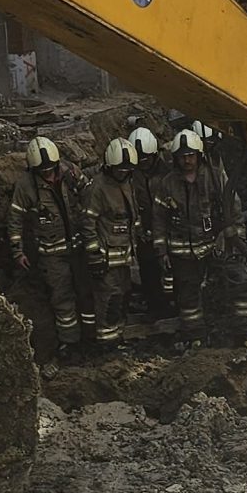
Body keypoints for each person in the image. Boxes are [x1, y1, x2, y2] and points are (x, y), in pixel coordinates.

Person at [154, 128, 247, 331]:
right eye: (182, 157)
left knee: (238, 281)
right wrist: (161, 251)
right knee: (188, 293)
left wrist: (237, 238)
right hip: (184, 251)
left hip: (215, 244)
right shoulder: (168, 184)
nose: (187, 161)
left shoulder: (215, 177)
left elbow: (232, 206)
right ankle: (194, 333)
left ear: (199, 155)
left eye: (190, 156)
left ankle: (245, 330)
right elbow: (158, 219)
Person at [6, 136, 90, 347]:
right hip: (52, 254)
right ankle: (70, 342)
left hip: (80, 246)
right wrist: (18, 251)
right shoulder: (26, 186)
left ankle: (92, 338)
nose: (47, 175)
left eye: (50, 169)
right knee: (62, 299)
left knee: (87, 292)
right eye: (42, 171)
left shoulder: (70, 173)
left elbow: (91, 197)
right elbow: (15, 219)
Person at [84, 137, 144, 345]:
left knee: (123, 296)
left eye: (126, 170)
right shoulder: (98, 188)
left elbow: (132, 215)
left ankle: (118, 335)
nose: (123, 173)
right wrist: (94, 255)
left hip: (124, 255)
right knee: (108, 299)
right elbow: (87, 223)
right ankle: (107, 342)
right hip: (106, 258)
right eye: (119, 170)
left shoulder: (127, 182)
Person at [127, 125, 174, 319]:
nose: (143, 163)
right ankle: (155, 306)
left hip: (168, 228)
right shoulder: (131, 174)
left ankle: (174, 304)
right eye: (140, 160)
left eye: (146, 159)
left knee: (173, 269)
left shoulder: (167, 170)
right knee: (148, 269)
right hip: (144, 231)